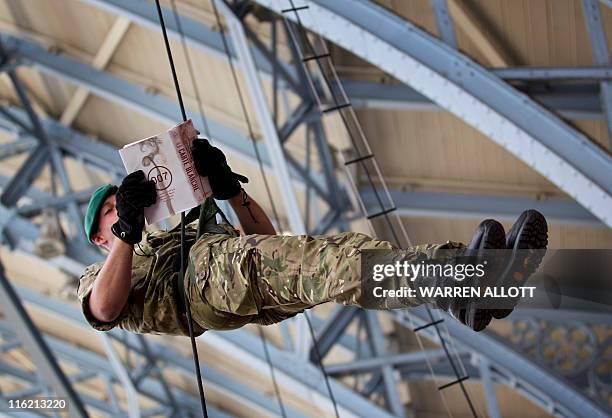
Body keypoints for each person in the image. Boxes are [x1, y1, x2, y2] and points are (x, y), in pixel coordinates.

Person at [77, 138, 548, 336]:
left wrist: (226, 188)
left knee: (340, 258)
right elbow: (104, 309)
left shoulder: (177, 232)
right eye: (110, 215)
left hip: (236, 279)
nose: (120, 212)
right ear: (100, 238)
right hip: (207, 285)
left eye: (120, 202)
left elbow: (264, 239)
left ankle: (472, 284)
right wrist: (127, 231)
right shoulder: (98, 274)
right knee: (330, 265)